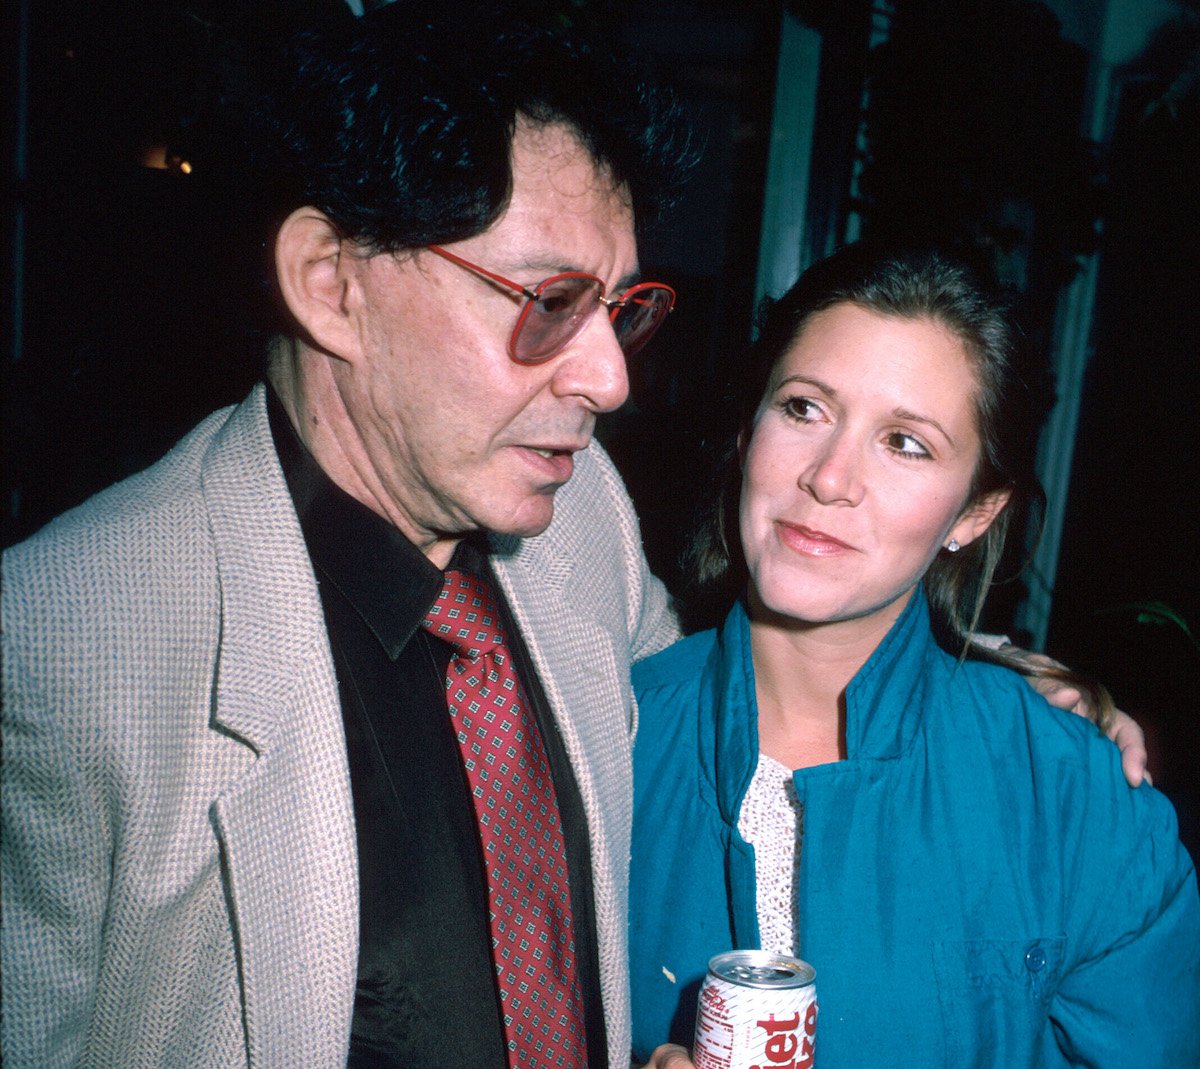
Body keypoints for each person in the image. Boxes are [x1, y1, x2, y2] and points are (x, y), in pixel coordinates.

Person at [0, 7, 1146, 1069]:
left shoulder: (573, 509)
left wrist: (990, 689)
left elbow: (724, 676)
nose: (607, 380)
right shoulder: (58, 645)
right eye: (548, 302)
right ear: (330, 283)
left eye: (619, 310)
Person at [627, 243, 1200, 1067]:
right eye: (803, 407)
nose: (829, 477)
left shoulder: (1084, 806)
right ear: (750, 428)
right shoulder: (597, 748)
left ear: (975, 511)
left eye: (906, 443)